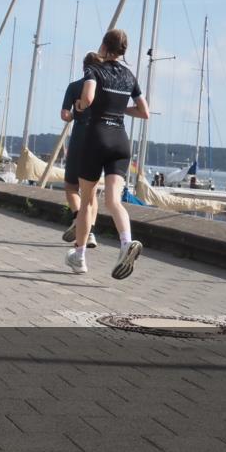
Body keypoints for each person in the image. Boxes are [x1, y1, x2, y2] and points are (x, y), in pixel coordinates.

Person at [66, 29, 149, 278]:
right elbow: (144, 111)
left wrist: (80, 104)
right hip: (121, 142)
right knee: (114, 201)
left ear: (103, 45)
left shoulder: (94, 69)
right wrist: (120, 109)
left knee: (87, 201)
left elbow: (88, 97)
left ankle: (79, 257)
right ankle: (126, 244)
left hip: (97, 138)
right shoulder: (129, 75)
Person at [60, 52, 103, 248]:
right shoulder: (105, 88)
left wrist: (74, 114)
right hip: (100, 138)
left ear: (83, 67)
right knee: (91, 192)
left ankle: (78, 219)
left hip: (79, 137)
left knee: (71, 186)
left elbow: (65, 115)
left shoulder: (74, 86)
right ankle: (90, 232)